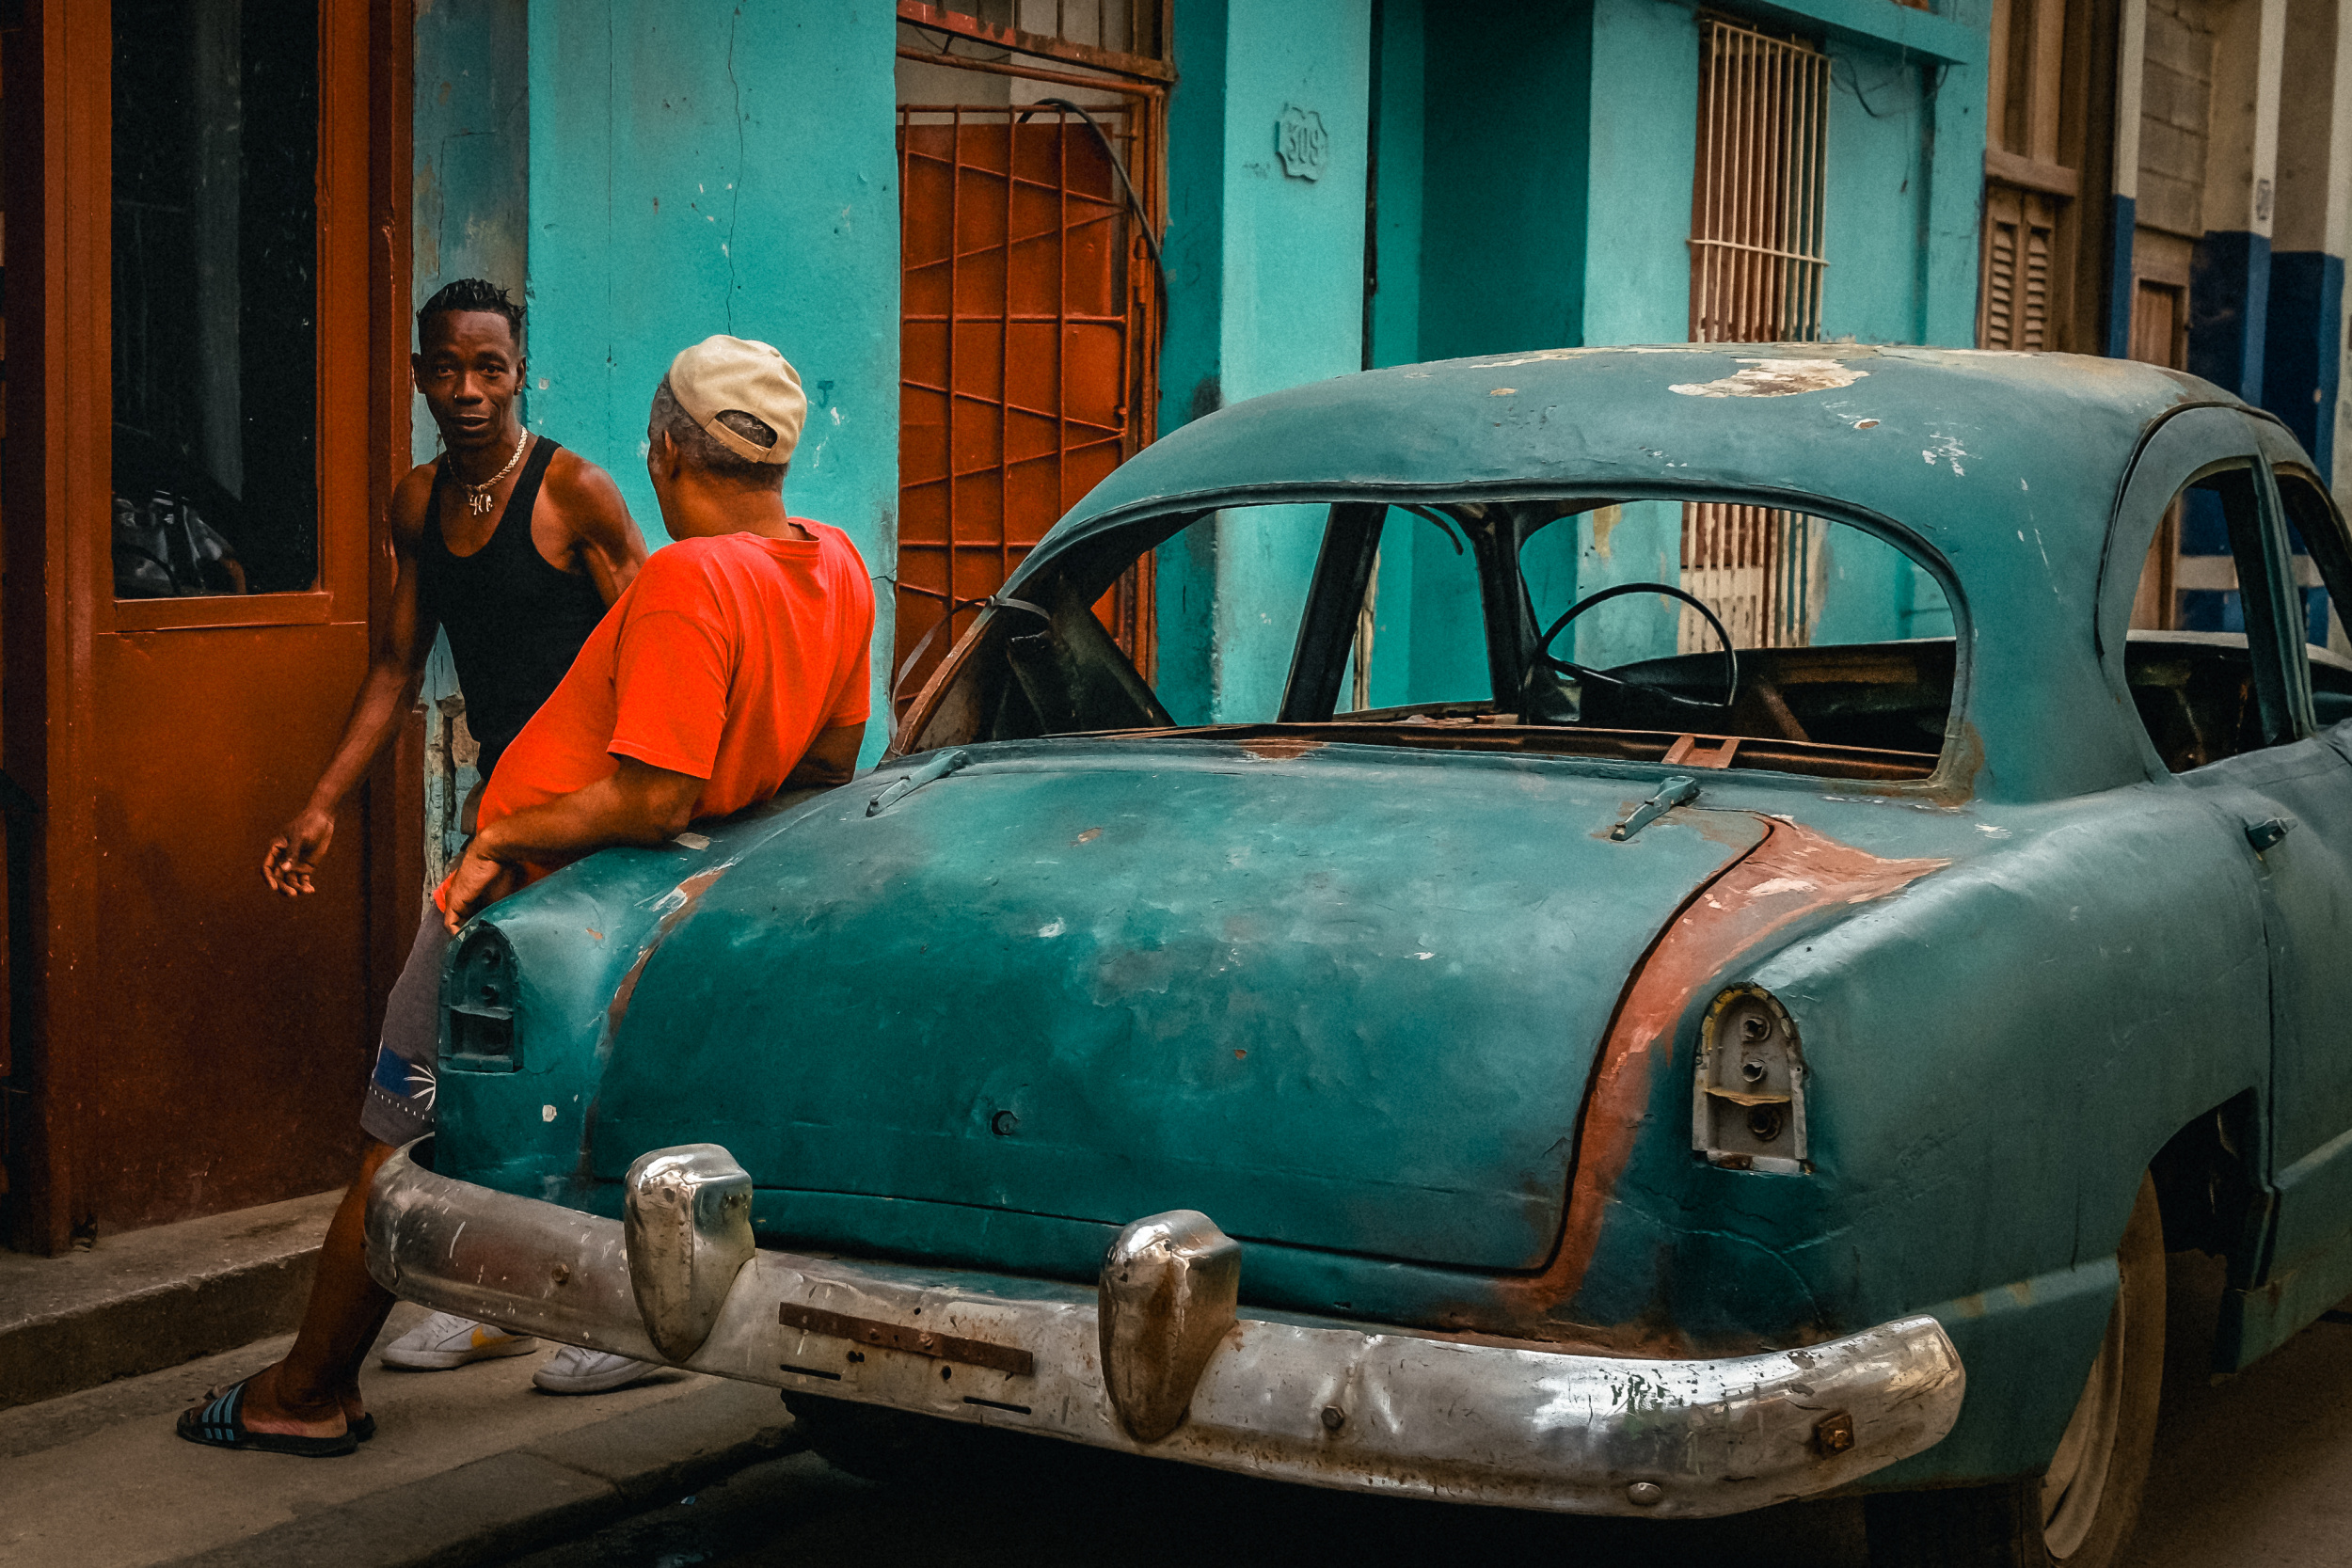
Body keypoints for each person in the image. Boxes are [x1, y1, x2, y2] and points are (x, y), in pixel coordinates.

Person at [182, 333, 871, 1456]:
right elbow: (825, 768)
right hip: (636, 908)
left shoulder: (692, 576)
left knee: (399, 1139)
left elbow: (654, 790)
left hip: (525, 915)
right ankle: (470, 1324)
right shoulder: (834, 565)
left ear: (663, 449)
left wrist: (502, 832)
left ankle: (303, 1392)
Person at [180, 280, 648, 1457]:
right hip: (500, 823)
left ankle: (624, 1313)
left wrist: (627, 817)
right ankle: (492, 1297)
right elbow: (397, 663)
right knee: (474, 1064)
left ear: (521, 369)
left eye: (490, 367)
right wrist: (322, 802)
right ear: (418, 373)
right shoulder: (419, 502)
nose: (468, 390)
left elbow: (652, 653)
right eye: (447, 367)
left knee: (571, 1055)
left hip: (588, 832)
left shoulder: (574, 493)